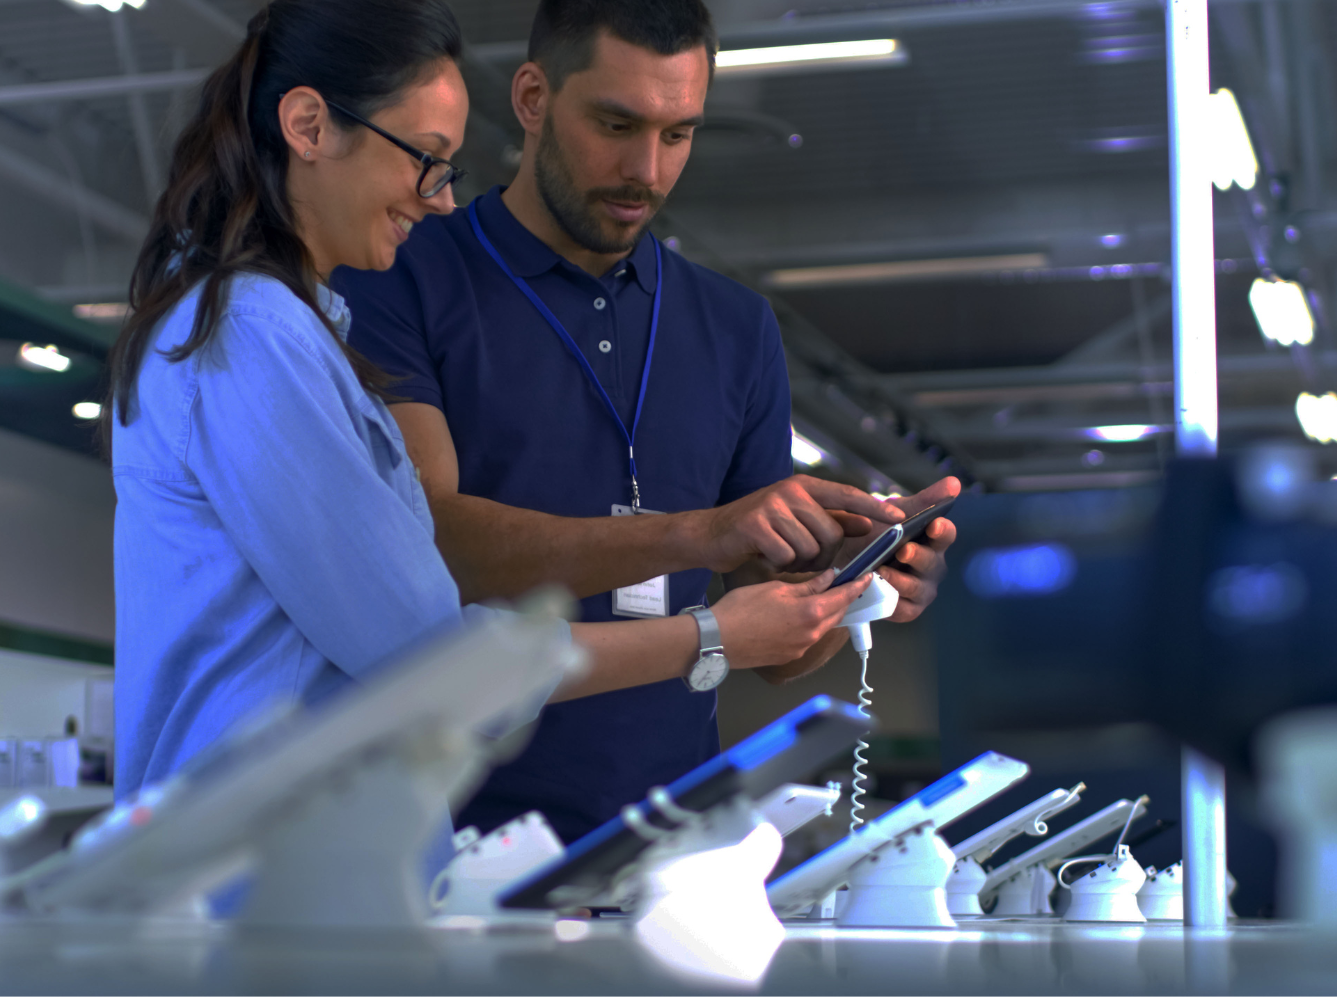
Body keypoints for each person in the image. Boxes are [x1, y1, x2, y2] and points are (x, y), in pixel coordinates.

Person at [103, 0, 880, 811]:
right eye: (425, 157)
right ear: (308, 127)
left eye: (678, 134)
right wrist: (708, 629)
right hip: (271, 879)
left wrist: (838, 585)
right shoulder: (254, 337)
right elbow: (431, 653)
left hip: (320, 869)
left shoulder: (293, 333)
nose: (439, 198)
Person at [335, 0, 960, 844]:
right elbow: (432, 539)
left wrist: (852, 590)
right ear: (530, 97)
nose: (647, 169)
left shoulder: (737, 327)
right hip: (445, 839)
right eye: (616, 123)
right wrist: (695, 534)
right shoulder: (403, 271)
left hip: (661, 851)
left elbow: (768, 646)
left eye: (679, 133)